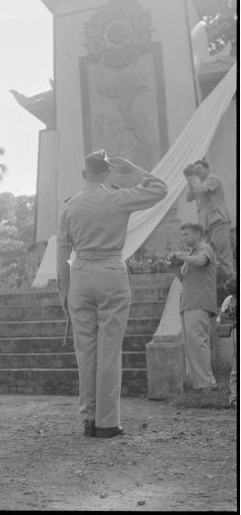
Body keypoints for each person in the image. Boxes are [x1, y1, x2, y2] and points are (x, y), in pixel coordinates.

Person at [57, 150, 167, 438]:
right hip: (110, 271)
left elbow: (62, 250)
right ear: (108, 173)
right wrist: (135, 171)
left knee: (85, 352)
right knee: (109, 350)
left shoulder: (69, 207)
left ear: (84, 174)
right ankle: (107, 421)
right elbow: (160, 189)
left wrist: (64, 288)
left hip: (80, 274)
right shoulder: (118, 197)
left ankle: (88, 418)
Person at [168, 223, 218, 393]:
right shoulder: (191, 254)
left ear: (198, 233)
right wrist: (175, 268)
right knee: (192, 346)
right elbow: (185, 280)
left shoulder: (205, 248)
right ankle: (200, 384)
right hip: (188, 303)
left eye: (187, 234)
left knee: (199, 343)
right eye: (182, 235)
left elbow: (202, 261)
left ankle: (207, 384)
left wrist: (181, 256)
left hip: (200, 303)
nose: (184, 238)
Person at [184, 160, 233, 278]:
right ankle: (215, 282)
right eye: (195, 171)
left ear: (207, 168)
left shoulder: (212, 179)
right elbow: (189, 198)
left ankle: (232, 285)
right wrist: (190, 180)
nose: (197, 172)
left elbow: (201, 189)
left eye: (199, 169)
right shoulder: (198, 182)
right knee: (205, 252)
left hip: (218, 220)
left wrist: (192, 177)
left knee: (223, 256)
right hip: (206, 224)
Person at [215, 278, 237, 408]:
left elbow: (219, 320)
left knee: (235, 369)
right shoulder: (229, 300)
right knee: (235, 369)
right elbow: (220, 319)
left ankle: (234, 399)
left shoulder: (228, 300)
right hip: (234, 334)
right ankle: (234, 399)